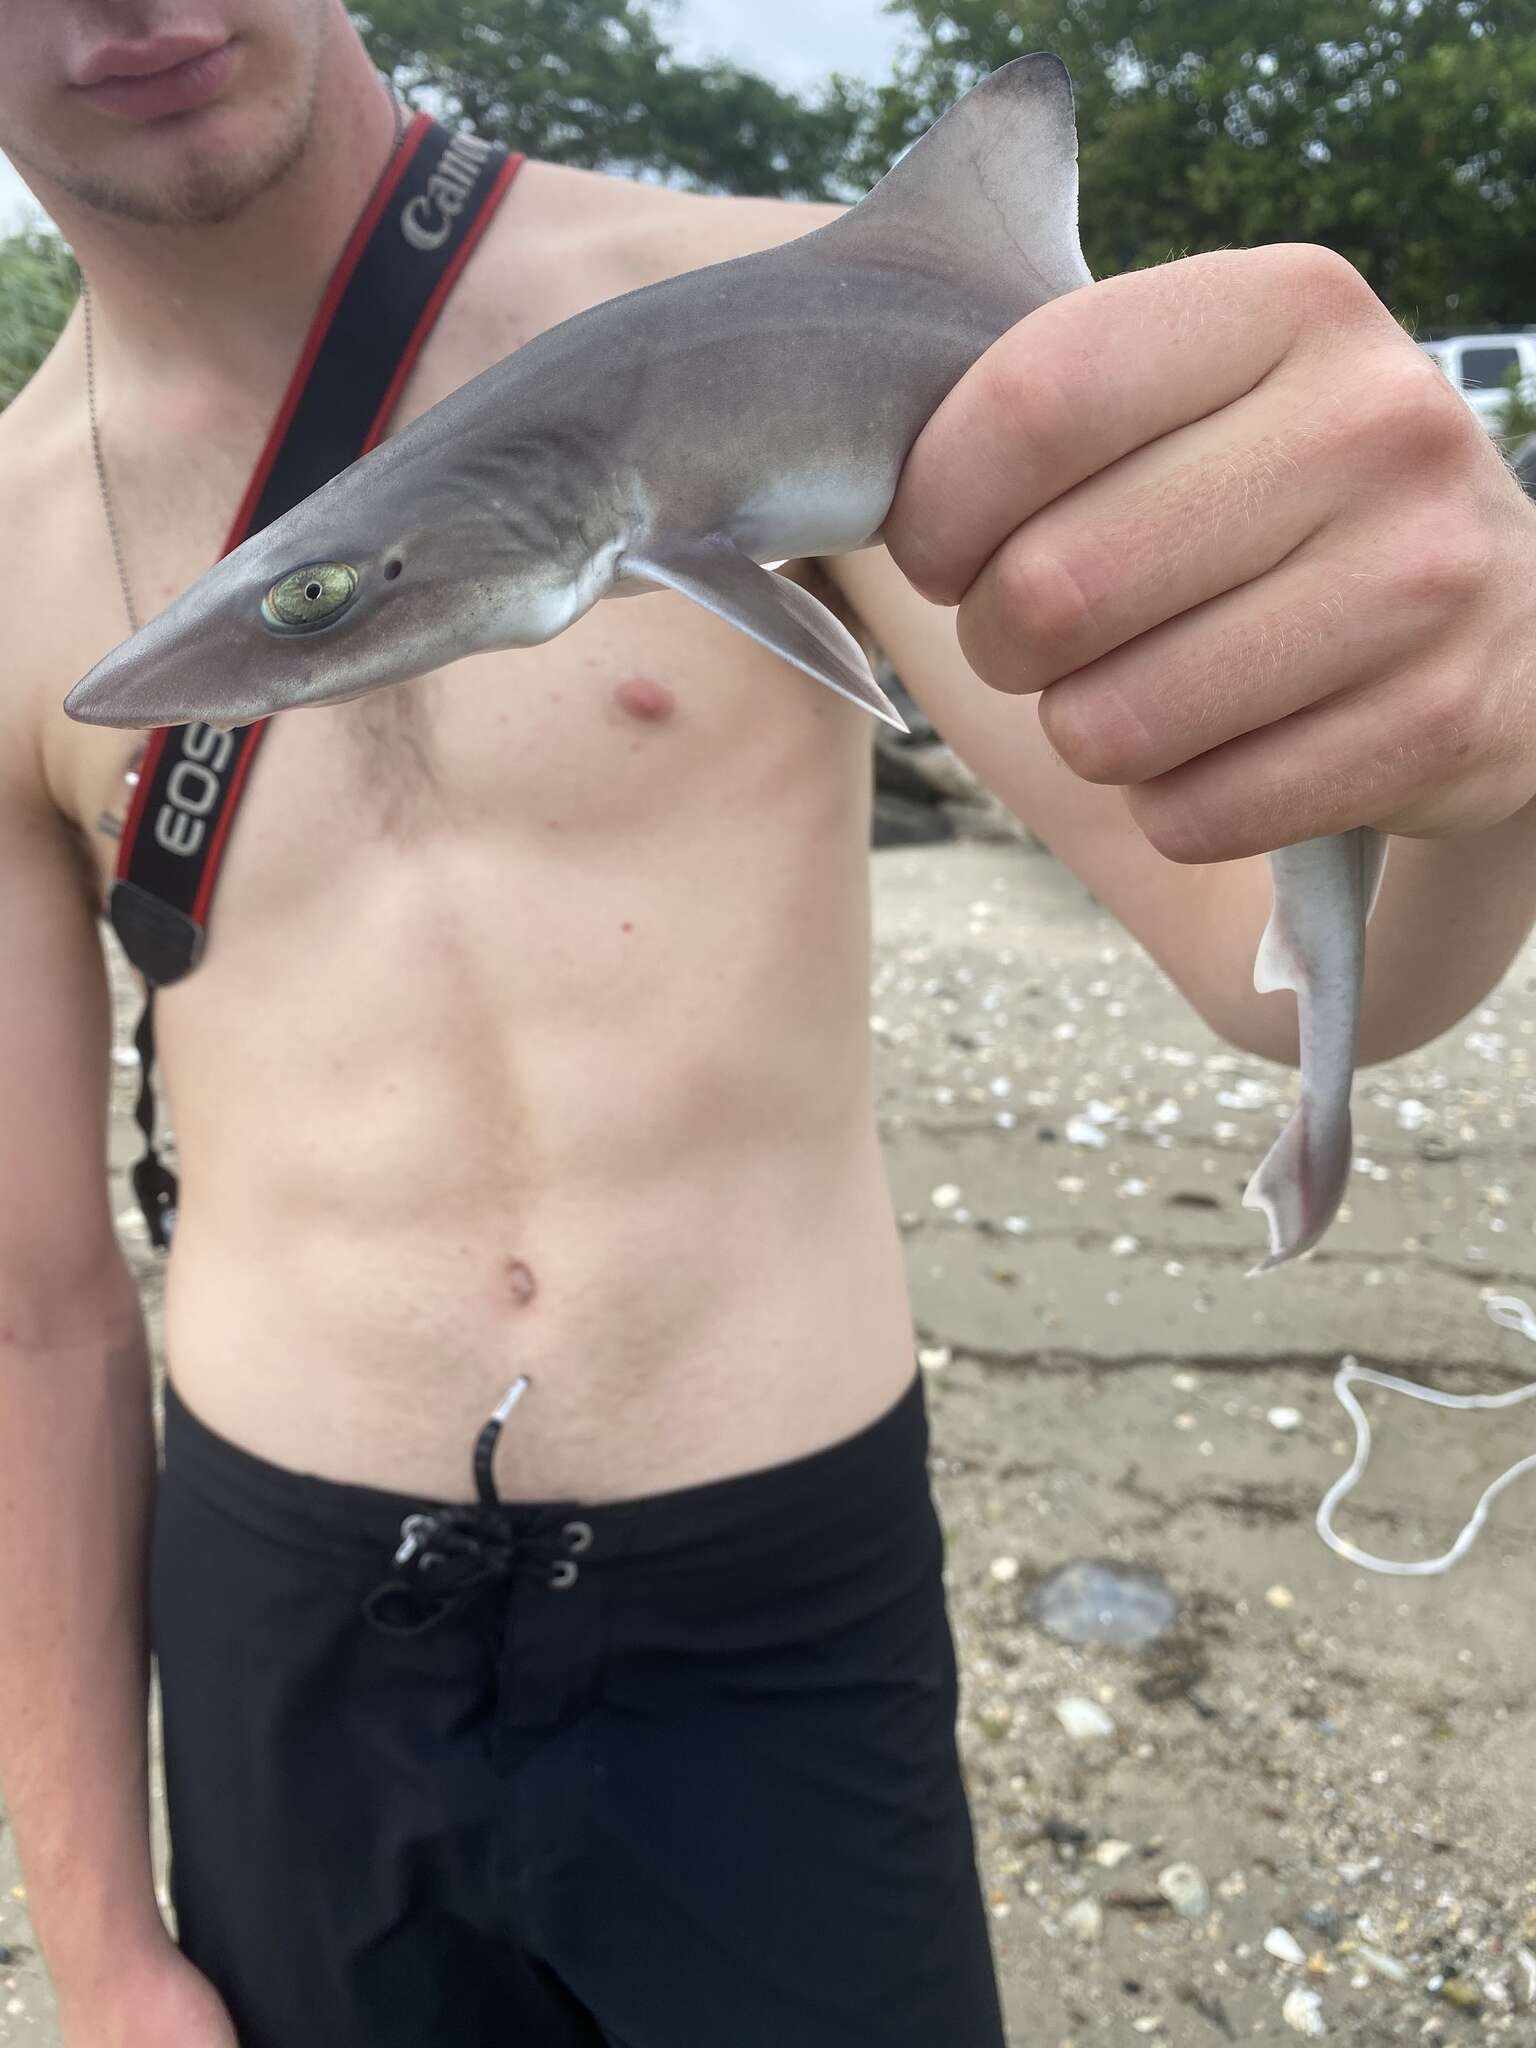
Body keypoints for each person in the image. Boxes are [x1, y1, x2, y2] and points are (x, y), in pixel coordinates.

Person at [1, 5, 1533, 2045]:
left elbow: (1287, 968)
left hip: (765, 1605)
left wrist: (1490, 753)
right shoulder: (6, 539)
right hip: (282, 1629)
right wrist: (101, 1942)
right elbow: (31, 1312)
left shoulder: (803, 314)